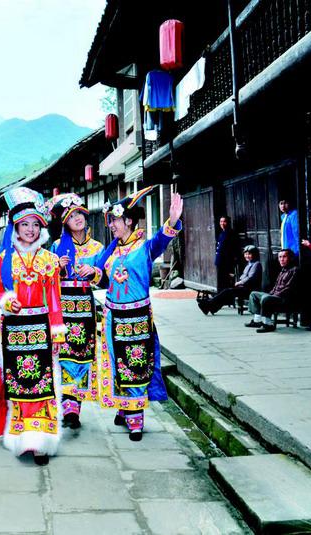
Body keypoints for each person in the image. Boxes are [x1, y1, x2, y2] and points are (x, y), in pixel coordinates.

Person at [95, 186, 183, 441]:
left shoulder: (144, 248)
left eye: (115, 220)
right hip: (113, 316)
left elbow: (162, 240)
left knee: (135, 364)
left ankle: (136, 419)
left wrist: (173, 220)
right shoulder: (111, 250)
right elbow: (102, 278)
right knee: (116, 363)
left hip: (137, 317)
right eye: (111, 221)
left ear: (129, 221)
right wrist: (91, 273)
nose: (112, 225)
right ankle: (124, 408)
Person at [0, 186, 66, 466]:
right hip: (14, 329)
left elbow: (55, 298)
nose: (30, 230)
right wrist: (6, 301)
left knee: (43, 385)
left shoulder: (49, 260)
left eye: (35, 224)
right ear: (15, 227)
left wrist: (57, 331)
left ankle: (41, 439)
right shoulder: (3, 258)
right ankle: (21, 436)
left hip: (42, 327)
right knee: (18, 383)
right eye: (24, 224)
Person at [46, 193, 104, 429]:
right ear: (64, 222)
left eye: (80, 213)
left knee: (82, 355)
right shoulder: (58, 246)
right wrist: (57, 269)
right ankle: (69, 406)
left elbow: (106, 279)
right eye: (72, 216)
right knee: (65, 356)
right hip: (64, 307)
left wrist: (94, 272)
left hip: (85, 305)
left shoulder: (97, 247)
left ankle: (75, 403)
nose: (78, 218)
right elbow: (48, 279)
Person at [244, 249, 298, 333]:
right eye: (280, 257)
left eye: (284, 257)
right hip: (276, 295)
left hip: (285, 298)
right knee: (254, 294)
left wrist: (273, 295)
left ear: (290, 258)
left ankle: (268, 324)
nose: (281, 259)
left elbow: (289, 288)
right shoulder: (282, 271)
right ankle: (257, 321)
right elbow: (276, 286)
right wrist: (270, 294)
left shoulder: (294, 270)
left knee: (266, 298)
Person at [199, 245, 262, 315]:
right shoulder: (249, 264)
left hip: (250, 289)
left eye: (249, 254)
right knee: (226, 291)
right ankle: (211, 307)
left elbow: (251, 278)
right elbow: (244, 276)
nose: (247, 256)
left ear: (254, 254)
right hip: (244, 287)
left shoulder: (256, 264)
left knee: (228, 292)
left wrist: (240, 282)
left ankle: (209, 305)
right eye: (246, 254)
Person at [215, 216, 239, 290]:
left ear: (228, 222)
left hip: (226, 261)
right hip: (220, 261)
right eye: (221, 221)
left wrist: (232, 261)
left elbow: (232, 248)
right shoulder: (221, 233)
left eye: (224, 221)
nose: (222, 223)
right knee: (221, 280)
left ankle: (225, 297)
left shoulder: (231, 233)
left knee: (226, 281)